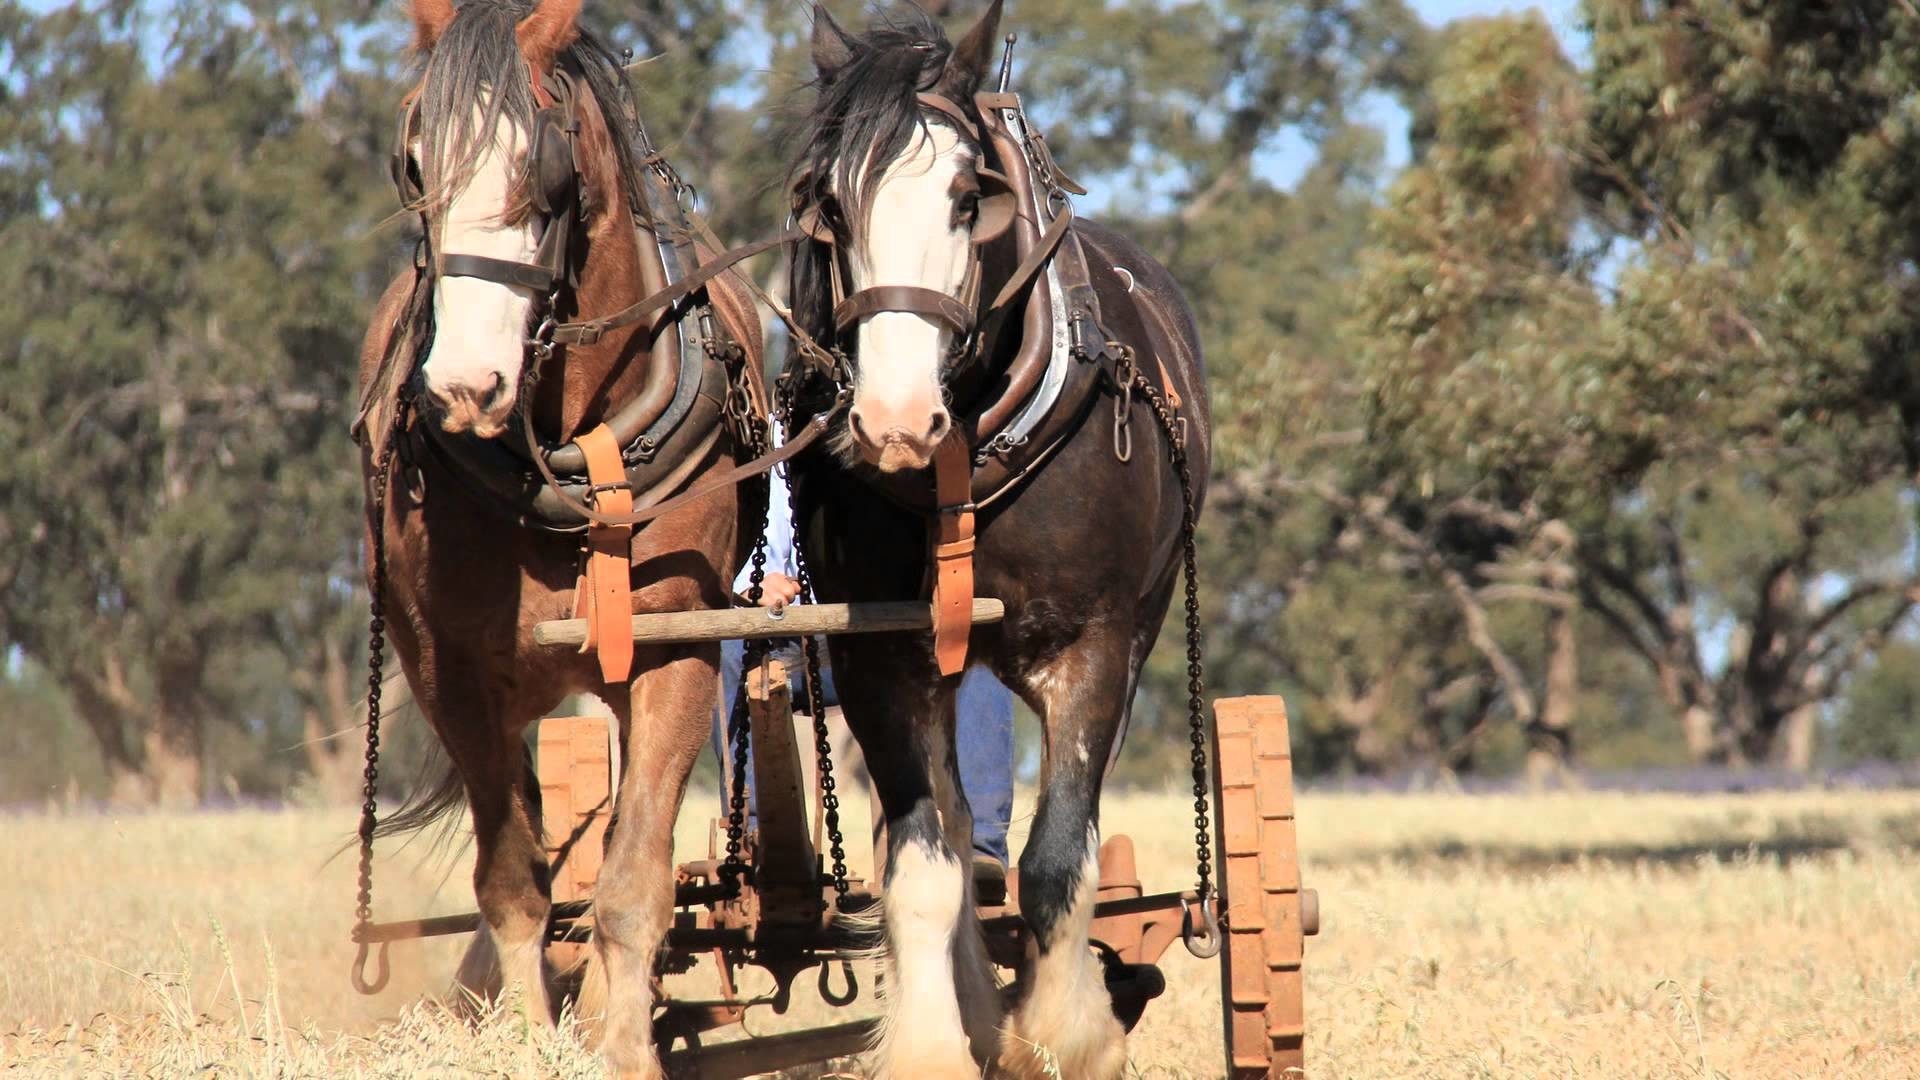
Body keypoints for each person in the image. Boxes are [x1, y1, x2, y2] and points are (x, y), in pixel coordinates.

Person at [713, 424, 1016, 902]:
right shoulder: (735, 451)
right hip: (773, 636)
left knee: (973, 650)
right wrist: (745, 583)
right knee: (721, 644)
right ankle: (752, 836)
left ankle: (982, 852)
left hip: (873, 635)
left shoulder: (878, 437)